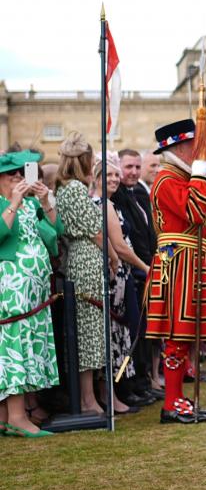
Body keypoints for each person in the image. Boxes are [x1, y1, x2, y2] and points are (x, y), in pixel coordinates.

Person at [143, 119, 206, 424]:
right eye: (193, 146)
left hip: (189, 262)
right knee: (176, 334)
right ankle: (171, 403)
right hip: (178, 264)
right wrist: (200, 175)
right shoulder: (166, 179)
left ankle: (178, 398)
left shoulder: (177, 176)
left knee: (185, 335)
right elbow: (195, 210)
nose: (199, 152)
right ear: (178, 147)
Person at [0, 150, 62, 438]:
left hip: (33, 291)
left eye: (21, 174)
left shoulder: (28, 205)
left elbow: (54, 233)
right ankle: (16, 417)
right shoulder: (7, 204)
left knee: (28, 346)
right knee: (13, 348)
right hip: (11, 289)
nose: (19, 179)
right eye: (12, 175)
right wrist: (13, 203)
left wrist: (45, 202)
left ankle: (8, 418)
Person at [91, 151, 150, 415]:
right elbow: (120, 247)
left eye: (117, 174)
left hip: (120, 276)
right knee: (114, 337)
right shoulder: (103, 204)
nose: (115, 179)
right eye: (109, 174)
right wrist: (145, 267)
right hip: (114, 278)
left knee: (118, 337)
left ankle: (113, 393)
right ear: (97, 178)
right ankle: (110, 396)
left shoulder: (109, 203)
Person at [55, 132, 108, 415]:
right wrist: (112, 258)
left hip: (77, 258)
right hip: (86, 259)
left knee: (88, 332)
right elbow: (96, 233)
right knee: (88, 334)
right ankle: (88, 400)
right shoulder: (75, 190)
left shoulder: (65, 189)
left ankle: (89, 397)